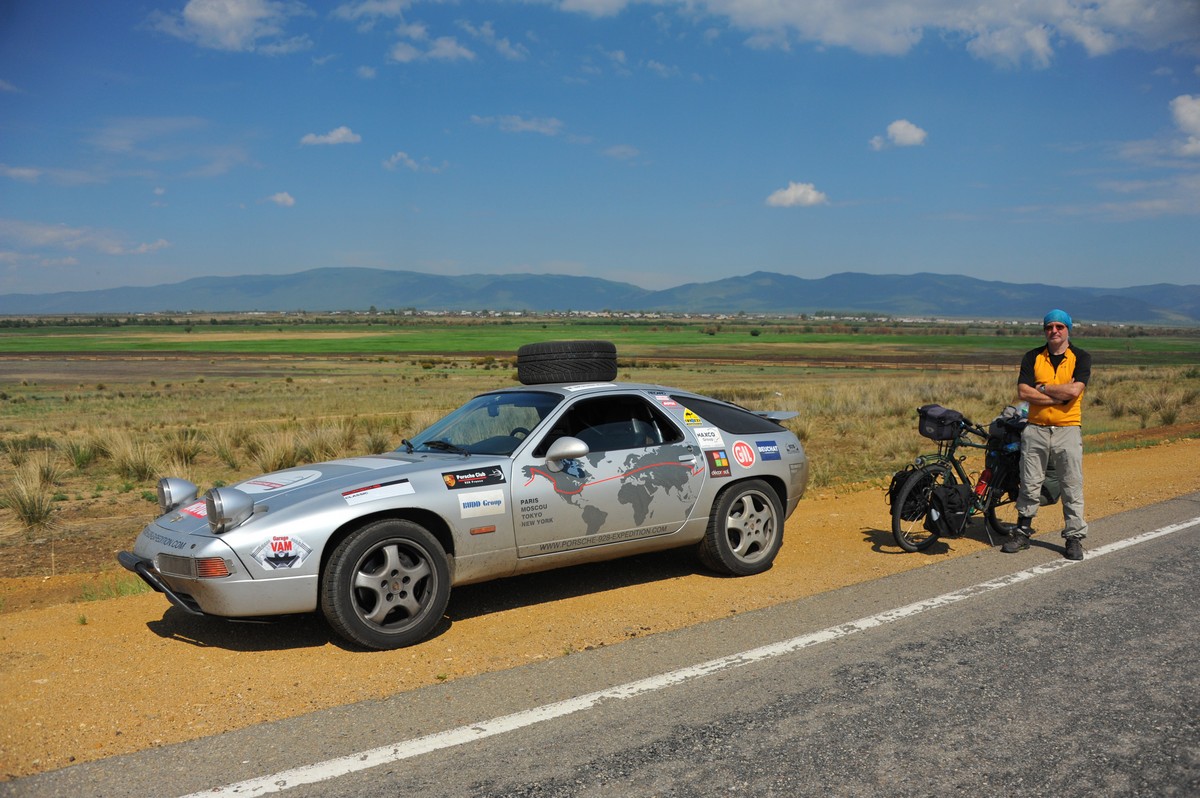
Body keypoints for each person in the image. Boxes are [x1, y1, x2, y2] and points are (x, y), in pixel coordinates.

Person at [1002, 309, 1091, 560]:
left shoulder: (1081, 357)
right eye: (1049, 327)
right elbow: (1023, 392)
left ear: (1068, 329)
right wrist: (1056, 396)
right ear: (1044, 330)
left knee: (1071, 483)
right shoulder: (1032, 357)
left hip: (1068, 429)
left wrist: (1041, 388)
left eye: (1059, 327)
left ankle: (1074, 537)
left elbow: (1074, 391)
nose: (1054, 331)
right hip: (1035, 429)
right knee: (1029, 482)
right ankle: (1022, 532)